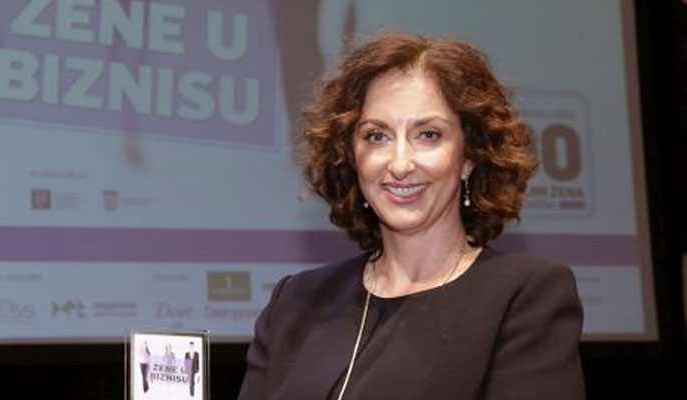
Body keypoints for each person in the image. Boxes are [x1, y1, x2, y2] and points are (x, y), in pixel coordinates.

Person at [238, 32, 585, 400]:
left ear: (469, 157)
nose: (400, 164)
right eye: (376, 136)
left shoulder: (526, 296)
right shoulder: (295, 302)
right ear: (351, 156)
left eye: (428, 135)